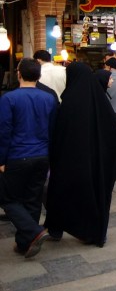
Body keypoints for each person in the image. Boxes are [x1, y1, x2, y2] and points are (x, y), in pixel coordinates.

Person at [45, 62, 116, 247]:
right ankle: (91, 232)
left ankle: (56, 228)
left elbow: (58, 134)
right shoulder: (101, 102)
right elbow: (114, 130)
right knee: (94, 196)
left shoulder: (68, 103)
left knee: (61, 193)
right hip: (97, 164)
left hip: (70, 162)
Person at [0, 58, 57, 258]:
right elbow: (52, 130)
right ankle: (25, 244)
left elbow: (4, 131)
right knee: (33, 200)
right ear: (39, 76)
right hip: (41, 155)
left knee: (7, 198)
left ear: (19, 74)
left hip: (17, 155)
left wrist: (1, 160)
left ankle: (34, 232)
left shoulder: (9, 98)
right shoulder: (49, 98)